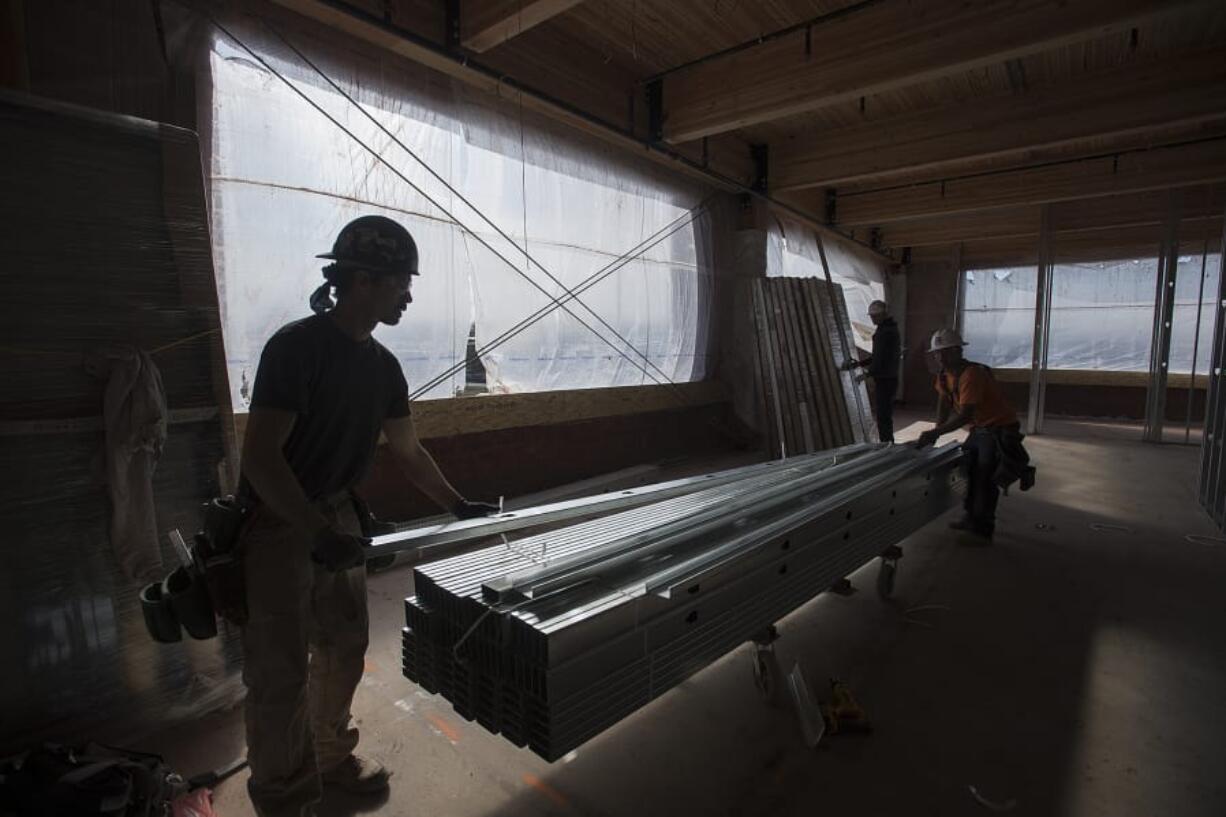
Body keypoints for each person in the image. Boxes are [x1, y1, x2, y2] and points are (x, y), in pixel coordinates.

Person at [237, 215, 498, 817]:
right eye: (401, 282)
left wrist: (455, 504)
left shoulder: (383, 367)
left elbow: (408, 451)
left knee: (343, 648)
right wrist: (315, 532)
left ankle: (329, 759)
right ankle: (283, 797)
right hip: (279, 523)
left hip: (336, 518)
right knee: (278, 672)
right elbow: (259, 458)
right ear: (362, 281)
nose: (409, 294)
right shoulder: (296, 348)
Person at [915, 328, 1032, 541]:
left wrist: (935, 433)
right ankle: (971, 516)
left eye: (945, 352)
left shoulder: (972, 374)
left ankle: (983, 528)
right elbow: (944, 402)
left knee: (985, 475)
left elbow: (965, 415)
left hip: (999, 428)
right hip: (980, 428)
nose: (940, 357)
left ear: (957, 351)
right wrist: (936, 430)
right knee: (968, 468)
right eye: (937, 353)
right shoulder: (944, 376)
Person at [843, 299, 901, 443]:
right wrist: (859, 364)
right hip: (890, 378)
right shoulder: (890, 329)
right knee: (885, 415)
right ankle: (888, 444)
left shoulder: (884, 332)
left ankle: (887, 446)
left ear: (883, 315)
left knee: (883, 416)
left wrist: (866, 374)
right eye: (872, 316)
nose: (873, 319)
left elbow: (880, 359)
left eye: (874, 317)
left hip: (885, 380)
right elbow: (878, 356)